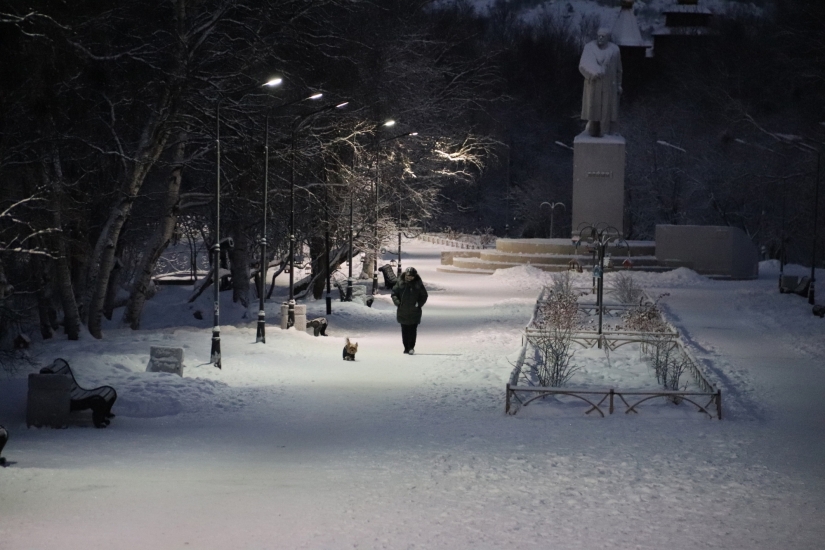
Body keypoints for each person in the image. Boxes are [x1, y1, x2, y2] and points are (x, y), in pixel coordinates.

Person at [579, 27, 623, 137]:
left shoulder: (614, 50)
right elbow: (582, 66)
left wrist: (618, 85)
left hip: (609, 86)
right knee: (593, 109)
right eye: (599, 36)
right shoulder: (589, 48)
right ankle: (591, 132)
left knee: (606, 111)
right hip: (594, 85)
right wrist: (591, 75)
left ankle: (605, 132)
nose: (601, 38)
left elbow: (619, 70)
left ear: (608, 38)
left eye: (603, 36)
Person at [391, 266, 428, 355]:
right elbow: (394, 294)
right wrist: (398, 303)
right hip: (402, 311)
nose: (409, 278)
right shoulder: (400, 283)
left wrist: (419, 304)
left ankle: (411, 347)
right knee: (404, 330)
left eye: (411, 276)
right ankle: (406, 347)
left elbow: (424, 295)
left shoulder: (418, 284)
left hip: (414, 311)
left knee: (412, 330)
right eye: (408, 276)